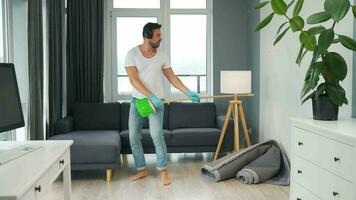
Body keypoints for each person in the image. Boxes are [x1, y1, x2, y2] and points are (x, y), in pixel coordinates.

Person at [124, 22, 200, 186]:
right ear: (147, 36)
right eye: (158, 35)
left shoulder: (163, 55)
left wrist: (187, 91)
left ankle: (163, 171)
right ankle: (141, 169)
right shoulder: (132, 54)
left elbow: (172, 77)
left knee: (157, 135)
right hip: (139, 101)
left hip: (157, 102)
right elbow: (134, 80)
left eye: (160, 34)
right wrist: (150, 96)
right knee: (133, 137)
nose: (161, 38)